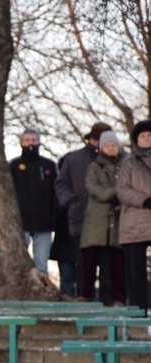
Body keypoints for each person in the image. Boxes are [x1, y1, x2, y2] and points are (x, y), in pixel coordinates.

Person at [55, 121, 113, 299]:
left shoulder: (117, 159)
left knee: (109, 265)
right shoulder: (74, 159)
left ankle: (108, 303)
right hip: (81, 220)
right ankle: (84, 303)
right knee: (84, 265)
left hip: (110, 222)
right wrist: (72, 201)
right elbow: (60, 184)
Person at [80, 130, 126, 305]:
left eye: (114, 145)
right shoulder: (94, 166)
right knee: (90, 262)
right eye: (107, 145)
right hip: (96, 222)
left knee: (117, 265)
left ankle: (118, 298)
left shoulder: (126, 164)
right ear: (101, 148)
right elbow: (93, 188)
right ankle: (86, 294)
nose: (111, 148)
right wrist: (118, 192)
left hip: (118, 222)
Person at [9, 128, 58, 275]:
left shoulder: (48, 165)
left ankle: (42, 296)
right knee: (18, 264)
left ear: (39, 142)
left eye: (33, 140)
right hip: (20, 223)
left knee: (41, 265)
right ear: (21, 143)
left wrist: (53, 216)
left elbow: (56, 192)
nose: (31, 143)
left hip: (44, 224)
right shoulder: (13, 166)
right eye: (27, 140)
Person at [117, 119, 151, 315]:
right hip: (134, 223)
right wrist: (145, 200)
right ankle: (138, 312)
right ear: (137, 139)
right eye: (143, 136)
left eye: (149, 135)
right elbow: (122, 189)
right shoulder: (128, 163)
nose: (147, 139)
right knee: (135, 272)